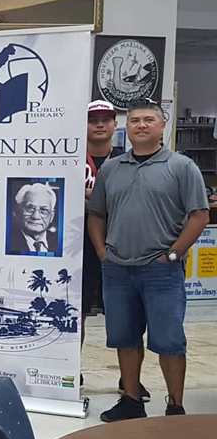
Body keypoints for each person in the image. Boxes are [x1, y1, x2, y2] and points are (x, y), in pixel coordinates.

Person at [87, 99, 209, 422]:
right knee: (124, 337)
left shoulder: (181, 167)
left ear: (162, 125)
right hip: (117, 269)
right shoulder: (112, 169)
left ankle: (175, 406)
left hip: (162, 271)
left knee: (169, 340)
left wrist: (174, 253)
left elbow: (199, 215)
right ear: (127, 127)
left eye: (148, 120)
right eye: (135, 120)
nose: (141, 125)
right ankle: (131, 400)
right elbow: (96, 214)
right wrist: (102, 252)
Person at [83, 100, 123, 317]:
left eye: (105, 120)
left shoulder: (126, 159)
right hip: (78, 245)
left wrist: (93, 196)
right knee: (77, 312)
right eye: (92, 121)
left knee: (120, 313)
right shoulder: (70, 158)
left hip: (116, 241)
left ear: (115, 124)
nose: (99, 125)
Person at [7, 182, 59, 255]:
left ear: (52, 216)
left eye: (43, 210)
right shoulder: (8, 240)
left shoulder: (60, 242)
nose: (35, 216)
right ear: (17, 212)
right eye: (30, 209)